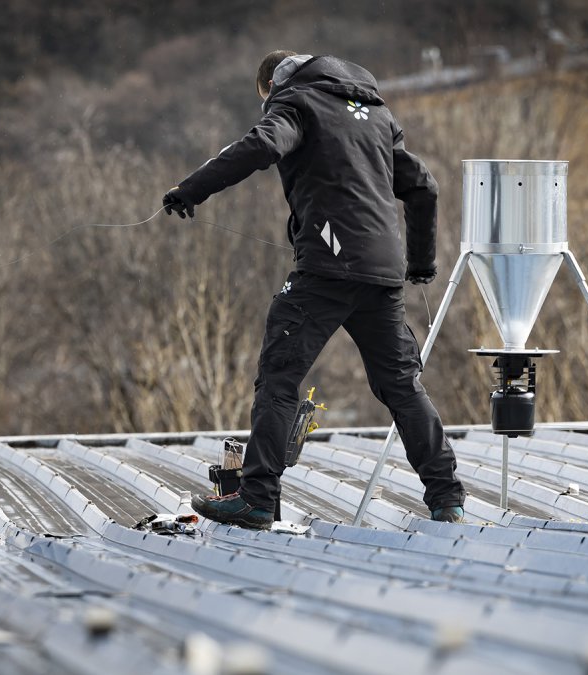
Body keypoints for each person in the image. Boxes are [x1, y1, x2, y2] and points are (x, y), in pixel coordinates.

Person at [162, 50, 466, 529]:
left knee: (279, 378)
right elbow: (423, 187)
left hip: (325, 268)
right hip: (383, 273)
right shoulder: (378, 114)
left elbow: (261, 146)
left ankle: (257, 498)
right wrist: (422, 263)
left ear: (271, 86)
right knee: (403, 387)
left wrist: (190, 189)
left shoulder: (296, 103)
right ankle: (447, 499)